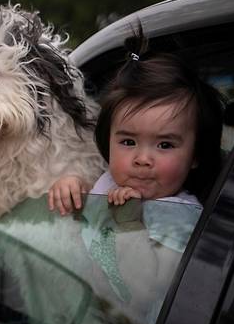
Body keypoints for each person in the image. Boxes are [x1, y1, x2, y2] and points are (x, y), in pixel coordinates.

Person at [48, 26, 224, 215]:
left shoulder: (180, 214)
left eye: (165, 145)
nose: (142, 159)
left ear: (195, 154)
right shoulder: (106, 183)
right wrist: (74, 188)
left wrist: (130, 223)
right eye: (128, 142)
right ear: (108, 140)